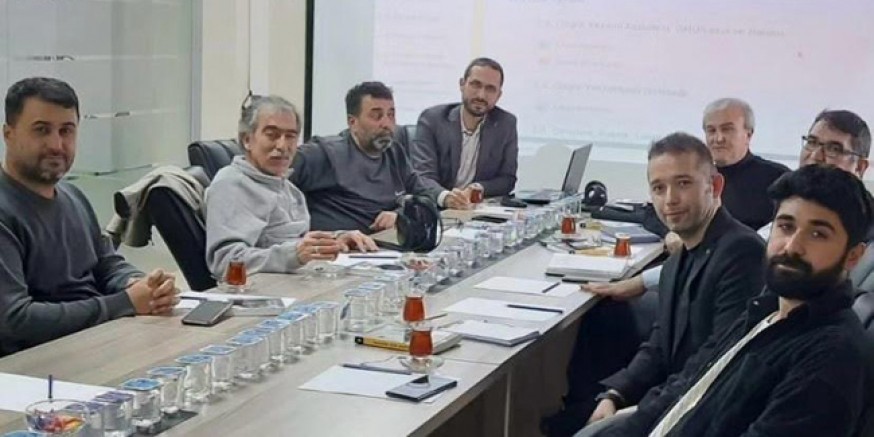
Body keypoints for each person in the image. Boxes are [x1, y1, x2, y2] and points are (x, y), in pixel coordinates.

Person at [582, 164, 874, 437]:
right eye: (786, 226)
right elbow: (686, 385)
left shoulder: (831, 356)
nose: (792, 246)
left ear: (853, 256)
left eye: (818, 234)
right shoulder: (767, 309)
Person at [546, 133, 766, 435]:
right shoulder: (678, 259)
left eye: (683, 183)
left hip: (704, 415)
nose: (670, 199)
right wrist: (615, 395)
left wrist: (639, 416)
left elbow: (715, 364)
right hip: (675, 399)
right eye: (659, 188)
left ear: (714, 186)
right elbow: (659, 345)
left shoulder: (742, 253)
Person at [0, 77, 177, 356]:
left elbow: (106, 264)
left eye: (66, 131)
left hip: (96, 343)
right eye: (41, 130)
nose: (56, 144)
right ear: (8, 134)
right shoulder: (5, 211)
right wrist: (125, 303)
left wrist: (141, 284)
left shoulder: (73, 197)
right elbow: (15, 320)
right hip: (37, 364)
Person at [205, 95, 377, 278]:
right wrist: (293, 255)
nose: (283, 146)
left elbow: (294, 243)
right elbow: (225, 262)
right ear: (247, 140)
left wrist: (335, 240)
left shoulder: (286, 186)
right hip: (266, 290)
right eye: (272, 135)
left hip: (302, 281)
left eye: (290, 136)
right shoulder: (231, 185)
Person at [291, 81, 441, 233]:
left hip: (386, 241)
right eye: (376, 116)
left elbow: (425, 195)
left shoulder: (395, 152)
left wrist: (401, 214)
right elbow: (279, 179)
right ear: (352, 122)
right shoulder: (323, 153)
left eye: (391, 115)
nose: (386, 123)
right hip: (341, 244)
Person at [410, 57, 518, 209]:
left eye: (490, 89)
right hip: (436, 210)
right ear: (462, 84)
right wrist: (446, 197)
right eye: (476, 85)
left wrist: (478, 188)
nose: (481, 95)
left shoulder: (506, 123)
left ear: (498, 95)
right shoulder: (433, 120)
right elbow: (422, 176)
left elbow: (507, 179)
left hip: (476, 211)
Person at [703, 98, 789, 230]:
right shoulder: (696, 178)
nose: (718, 138)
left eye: (727, 129)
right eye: (711, 130)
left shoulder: (778, 178)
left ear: (748, 134)